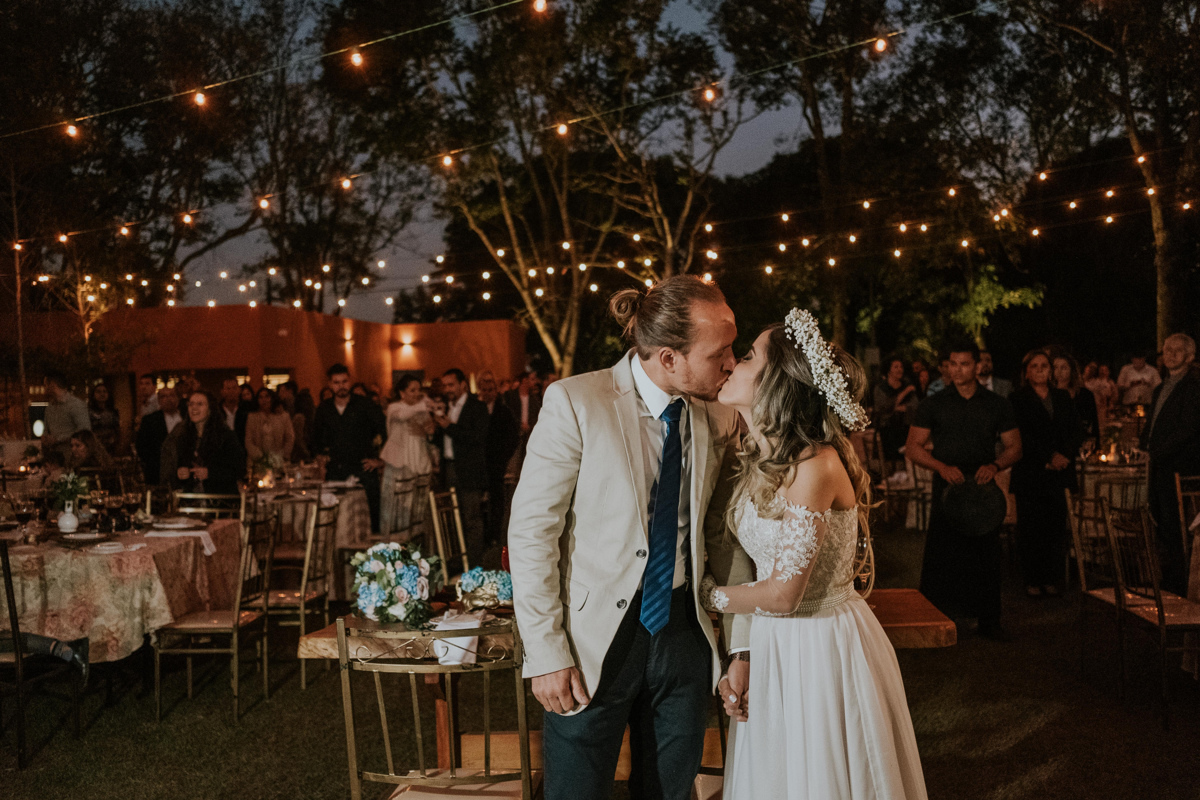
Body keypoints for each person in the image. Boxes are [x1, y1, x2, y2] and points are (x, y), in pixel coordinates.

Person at [509, 275, 749, 800]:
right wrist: (546, 652)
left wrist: (740, 644)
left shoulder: (721, 415)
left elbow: (726, 534)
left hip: (685, 632)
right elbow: (532, 532)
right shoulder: (575, 401)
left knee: (669, 790)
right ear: (668, 357)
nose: (732, 363)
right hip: (593, 640)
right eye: (720, 352)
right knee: (577, 790)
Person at [700, 310, 927, 799]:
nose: (730, 365)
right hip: (773, 642)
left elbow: (783, 594)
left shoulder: (815, 466)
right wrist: (745, 652)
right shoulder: (759, 456)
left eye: (746, 357)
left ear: (776, 384)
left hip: (822, 647)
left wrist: (704, 595)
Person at [906, 343, 1022, 640]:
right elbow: (913, 447)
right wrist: (941, 467)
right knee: (944, 553)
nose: (958, 370)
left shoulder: (997, 404)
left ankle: (989, 621)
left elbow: (1015, 447)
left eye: (964, 364)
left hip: (983, 486)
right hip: (948, 483)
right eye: (952, 364)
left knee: (985, 553)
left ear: (978, 366)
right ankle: (940, 618)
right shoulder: (934, 403)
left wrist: (995, 466)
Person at [1009, 350, 1084, 597]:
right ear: (1027, 372)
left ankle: (1050, 578)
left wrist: (1064, 455)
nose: (1041, 370)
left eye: (1044, 366)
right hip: (1032, 471)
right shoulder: (1017, 399)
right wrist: (1048, 457)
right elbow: (1021, 434)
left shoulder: (1062, 397)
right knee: (1031, 528)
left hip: (1058, 473)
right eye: (1035, 366)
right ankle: (1032, 579)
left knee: (1054, 526)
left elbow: (1074, 430)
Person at [1140, 333, 1200, 595]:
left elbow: (1188, 428)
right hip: (1159, 466)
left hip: (1179, 465)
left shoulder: (1193, 388)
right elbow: (1152, 423)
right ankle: (1167, 578)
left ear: (1190, 356)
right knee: (1162, 521)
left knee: (1177, 525)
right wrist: (1144, 446)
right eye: (1167, 350)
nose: (1171, 354)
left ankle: (1179, 582)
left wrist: (1157, 452)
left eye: (1178, 350)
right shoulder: (1160, 388)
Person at [313, 364, 386, 530]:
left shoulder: (365, 404)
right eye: (336, 382)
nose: (341, 386)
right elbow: (315, 438)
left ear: (349, 381)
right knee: (337, 517)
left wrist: (380, 460)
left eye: (344, 381)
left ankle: (374, 552)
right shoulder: (324, 409)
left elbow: (385, 430)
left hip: (364, 468)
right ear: (330, 384)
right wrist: (320, 459)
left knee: (372, 517)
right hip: (336, 469)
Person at [433, 368, 490, 566]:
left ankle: (474, 564)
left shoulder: (477, 407)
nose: (447, 389)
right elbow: (442, 440)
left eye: (451, 385)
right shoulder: (444, 407)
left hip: (469, 470)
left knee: (471, 518)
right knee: (451, 518)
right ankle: (456, 562)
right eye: (445, 385)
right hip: (448, 467)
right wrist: (434, 431)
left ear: (462, 384)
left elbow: (477, 437)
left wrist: (449, 426)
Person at [378, 375, 434, 538]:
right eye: (412, 390)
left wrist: (427, 430)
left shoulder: (420, 409)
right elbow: (403, 416)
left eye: (418, 390)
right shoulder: (395, 407)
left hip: (419, 461)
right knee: (397, 508)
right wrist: (424, 405)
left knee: (417, 511)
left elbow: (429, 431)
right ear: (402, 393)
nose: (416, 393)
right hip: (399, 464)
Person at [160, 391, 245, 494]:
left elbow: (239, 469)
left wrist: (210, 473)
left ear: (210, 409)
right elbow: (172, 469)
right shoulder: (182, 436)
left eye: (200, 404)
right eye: (191, 404)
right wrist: (180, 473)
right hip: (191, 501)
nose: (194, 408)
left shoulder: (226, 436)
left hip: (220, 501)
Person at [479, 371, 520, 546]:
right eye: (485, 389)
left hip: (496, 463)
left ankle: (494, 534)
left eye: (491, 389)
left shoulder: (503, 411)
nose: (488, 393)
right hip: (479, 463)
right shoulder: (476, 409)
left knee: (496, 500)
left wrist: (503, 457)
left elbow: (512, 436)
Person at [873, 356, 919, 462]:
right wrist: (904, 393)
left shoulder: (907, 385)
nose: (899, 369)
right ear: (889, 371)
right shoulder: (881, 388)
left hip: (905, 426)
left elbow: (914, 405)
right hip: (887, 427)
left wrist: (902, 407)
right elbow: (883, 407)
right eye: (896, 367)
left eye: (901, 367)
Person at [136, 386, 182, 485]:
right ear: (159, 400)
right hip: (158, 470)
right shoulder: (149, 420)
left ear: (177, 398)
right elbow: (142, 447)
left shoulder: (187, 418)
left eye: (171, 395)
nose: (168, 399)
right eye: (164, 396)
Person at [1050, 350, 1099, 443]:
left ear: (1071, 370)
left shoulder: (1085, 395)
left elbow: (1093, 425)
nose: (1059, 371)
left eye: (1063, 368)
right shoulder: (1049, 395)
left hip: (1081, 443)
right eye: (1055, 367)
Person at [42, 370, 91, 460]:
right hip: (55, 458)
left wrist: (58, 440)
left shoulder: (76, 405)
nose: (44, 389)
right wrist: (45, 439)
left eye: (46, 385)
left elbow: (85, 432)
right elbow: (46, 430)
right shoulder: (50, 408)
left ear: (52, 385)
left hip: (73, 456)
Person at [244, 387, 296, 471]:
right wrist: (261, 458)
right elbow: (248, 440)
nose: (264, 400)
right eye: (261, 397)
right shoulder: (252, 417)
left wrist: (280, 456)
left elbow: (290, 438)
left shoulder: (283, 416)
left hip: (280, 461)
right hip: (258, 463)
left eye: (267, 396)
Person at [87, 382, 121, 455]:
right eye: (98, 392)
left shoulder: (113, 412)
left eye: (104, 391)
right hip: (94, 448)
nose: (102, 394)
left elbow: (117, 430)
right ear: (93, 395)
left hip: (110, 447)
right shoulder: (88, 413)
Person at [219, 377, 250, 446]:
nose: (231, 391)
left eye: (234, 388)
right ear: (222, 391)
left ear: (239, 390)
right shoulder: (217, 411)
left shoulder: (247, 409)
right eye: (228, 389)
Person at [1085, 363, 1118, 428]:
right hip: (1092, 407)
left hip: (1103, 407)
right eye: (1101, 370)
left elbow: (1113, 395)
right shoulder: (1092, 382)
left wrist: (1111, 404)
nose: (1103, 372)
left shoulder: (1108, 383)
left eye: (1105, 370)